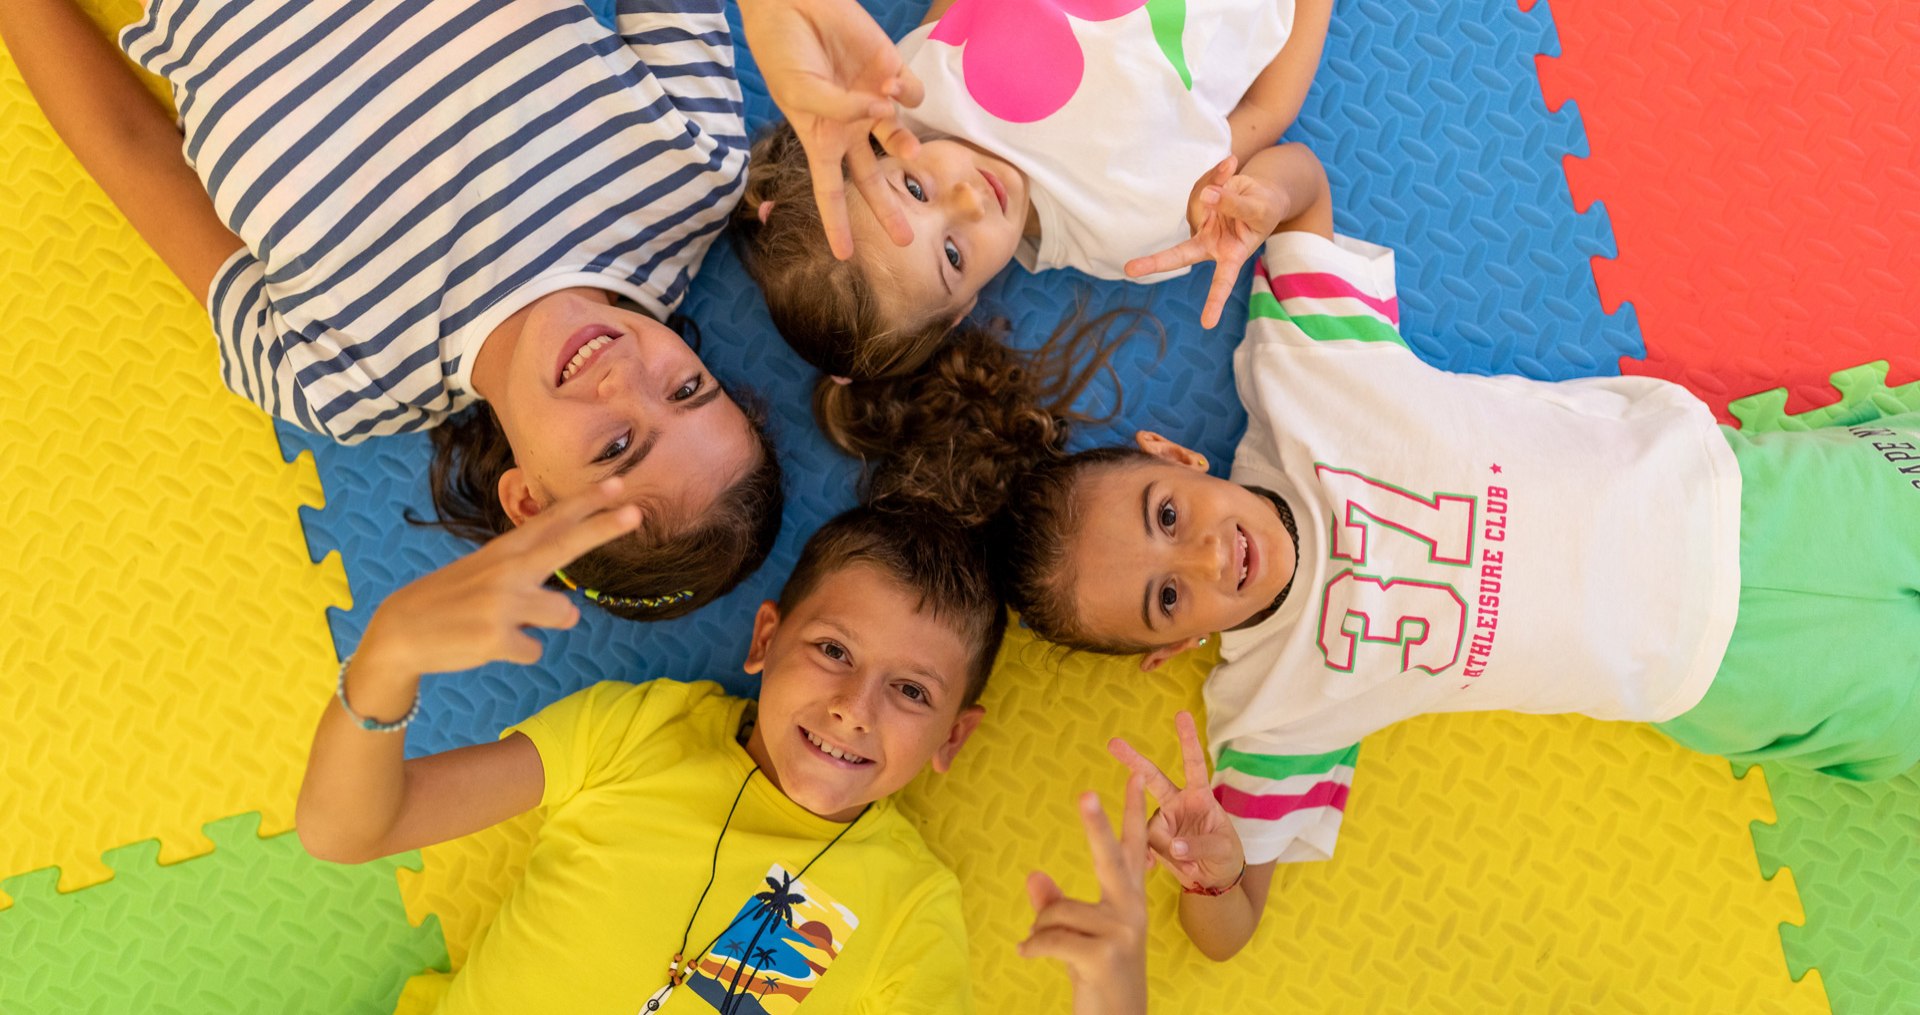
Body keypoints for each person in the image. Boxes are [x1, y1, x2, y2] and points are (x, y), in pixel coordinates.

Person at [862, 144, 1920, 960]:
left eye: (1167, 515)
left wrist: (1258, 202)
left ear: (1173, 452)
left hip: (1745, 499)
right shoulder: (1272, 707)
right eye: (1166, 600)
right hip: (1718, 668)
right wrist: (1211, 875)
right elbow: (1233, 932)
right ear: (1165, 654)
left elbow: (1307, 190)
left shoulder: (1299, 377)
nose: (1200, 561)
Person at [0, 0, 897, 616]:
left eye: (618, 446)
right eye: (688, 390)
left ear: (529, 501)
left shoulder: (341, 383)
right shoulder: (689, 177)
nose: (628, 377)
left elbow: (131, 152)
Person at [296, 492, 1007, 1012]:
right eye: (832, 650)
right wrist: (385, 660)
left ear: (952, 735)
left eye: (912, 691)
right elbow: (347, 829)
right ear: (765, 641)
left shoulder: (911, 906)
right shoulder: (638, 731)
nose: (855, 706)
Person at [734, 0, 1335, 399]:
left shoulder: (909, 84)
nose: (968, 201)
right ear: (964, 308)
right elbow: (1266, 113)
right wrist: (1271, 196)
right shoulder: (1126, 233)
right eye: (952, 255)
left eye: (914, 189)